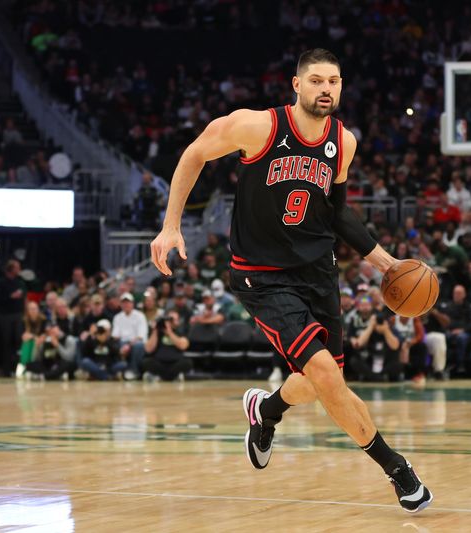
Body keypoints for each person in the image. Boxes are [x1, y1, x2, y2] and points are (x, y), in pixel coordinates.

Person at [150, 49, 432, 512]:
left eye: (335, 81)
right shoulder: (257, 126)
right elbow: (195, 153)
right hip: (261, 274)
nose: (327, 89)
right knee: (324, 374)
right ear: (296, 85)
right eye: (317, 80)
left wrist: (385, 262)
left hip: (317, 269)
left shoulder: (344, 141)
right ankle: (397, 469)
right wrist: (171, 225)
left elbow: (336, 212)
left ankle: (267, 410)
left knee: (325, 379)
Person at [142, 310, 192, 382]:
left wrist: (169, 333)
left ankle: (159, 376)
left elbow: (183, 346)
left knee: (187, 363)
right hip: (159, 362)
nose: (170, 322)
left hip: (175, 362)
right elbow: (148, 349)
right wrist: (155, 330)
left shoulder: (180, 332)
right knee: (146, 362)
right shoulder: (156, 332)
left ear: (178, 321)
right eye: (168, 319)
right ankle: (173, 376)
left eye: (172, 319)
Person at [111, 292, 148, 380]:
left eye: (128, 302)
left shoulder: (140, 316)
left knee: (138, 346)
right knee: (114, 344)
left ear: (132, 304)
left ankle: (134, 371)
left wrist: (129, 345)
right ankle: (117, 370)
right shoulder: (117, 317)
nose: (126, 304)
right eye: (124, 302)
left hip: (136, 342)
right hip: (122, 342)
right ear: (121, 304)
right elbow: (115, 335)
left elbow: (141, 336)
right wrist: (122, 346)